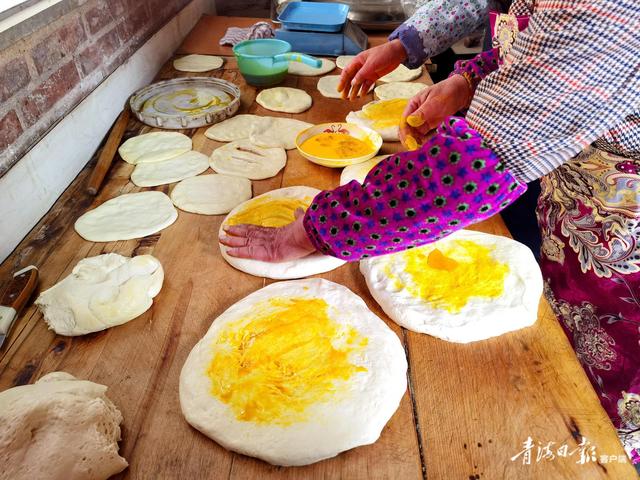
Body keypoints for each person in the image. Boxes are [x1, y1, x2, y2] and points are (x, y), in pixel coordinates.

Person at [220, 0, 640, 463]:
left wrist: (309, 232)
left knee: (603, 408)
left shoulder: (607, 10)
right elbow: (531, 42)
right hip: (574, 207)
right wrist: (466, 82)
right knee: (568, 347)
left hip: (624, 242)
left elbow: (462, 172)